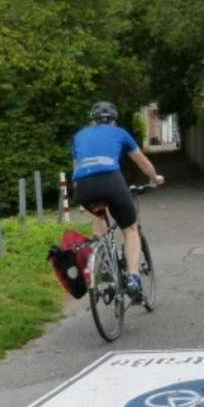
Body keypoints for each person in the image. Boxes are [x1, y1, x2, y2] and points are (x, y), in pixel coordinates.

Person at [71, 101, 164, 302]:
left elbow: (76, 166)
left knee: (99, 212)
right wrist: (155, 178)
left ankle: (102, 260)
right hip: (110, 180)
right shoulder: (120, 133)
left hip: (82, 185)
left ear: (92, 119)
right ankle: (133, 279)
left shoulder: (79, 135)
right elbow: (141, 161)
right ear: (113, 120)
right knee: (130, 229)